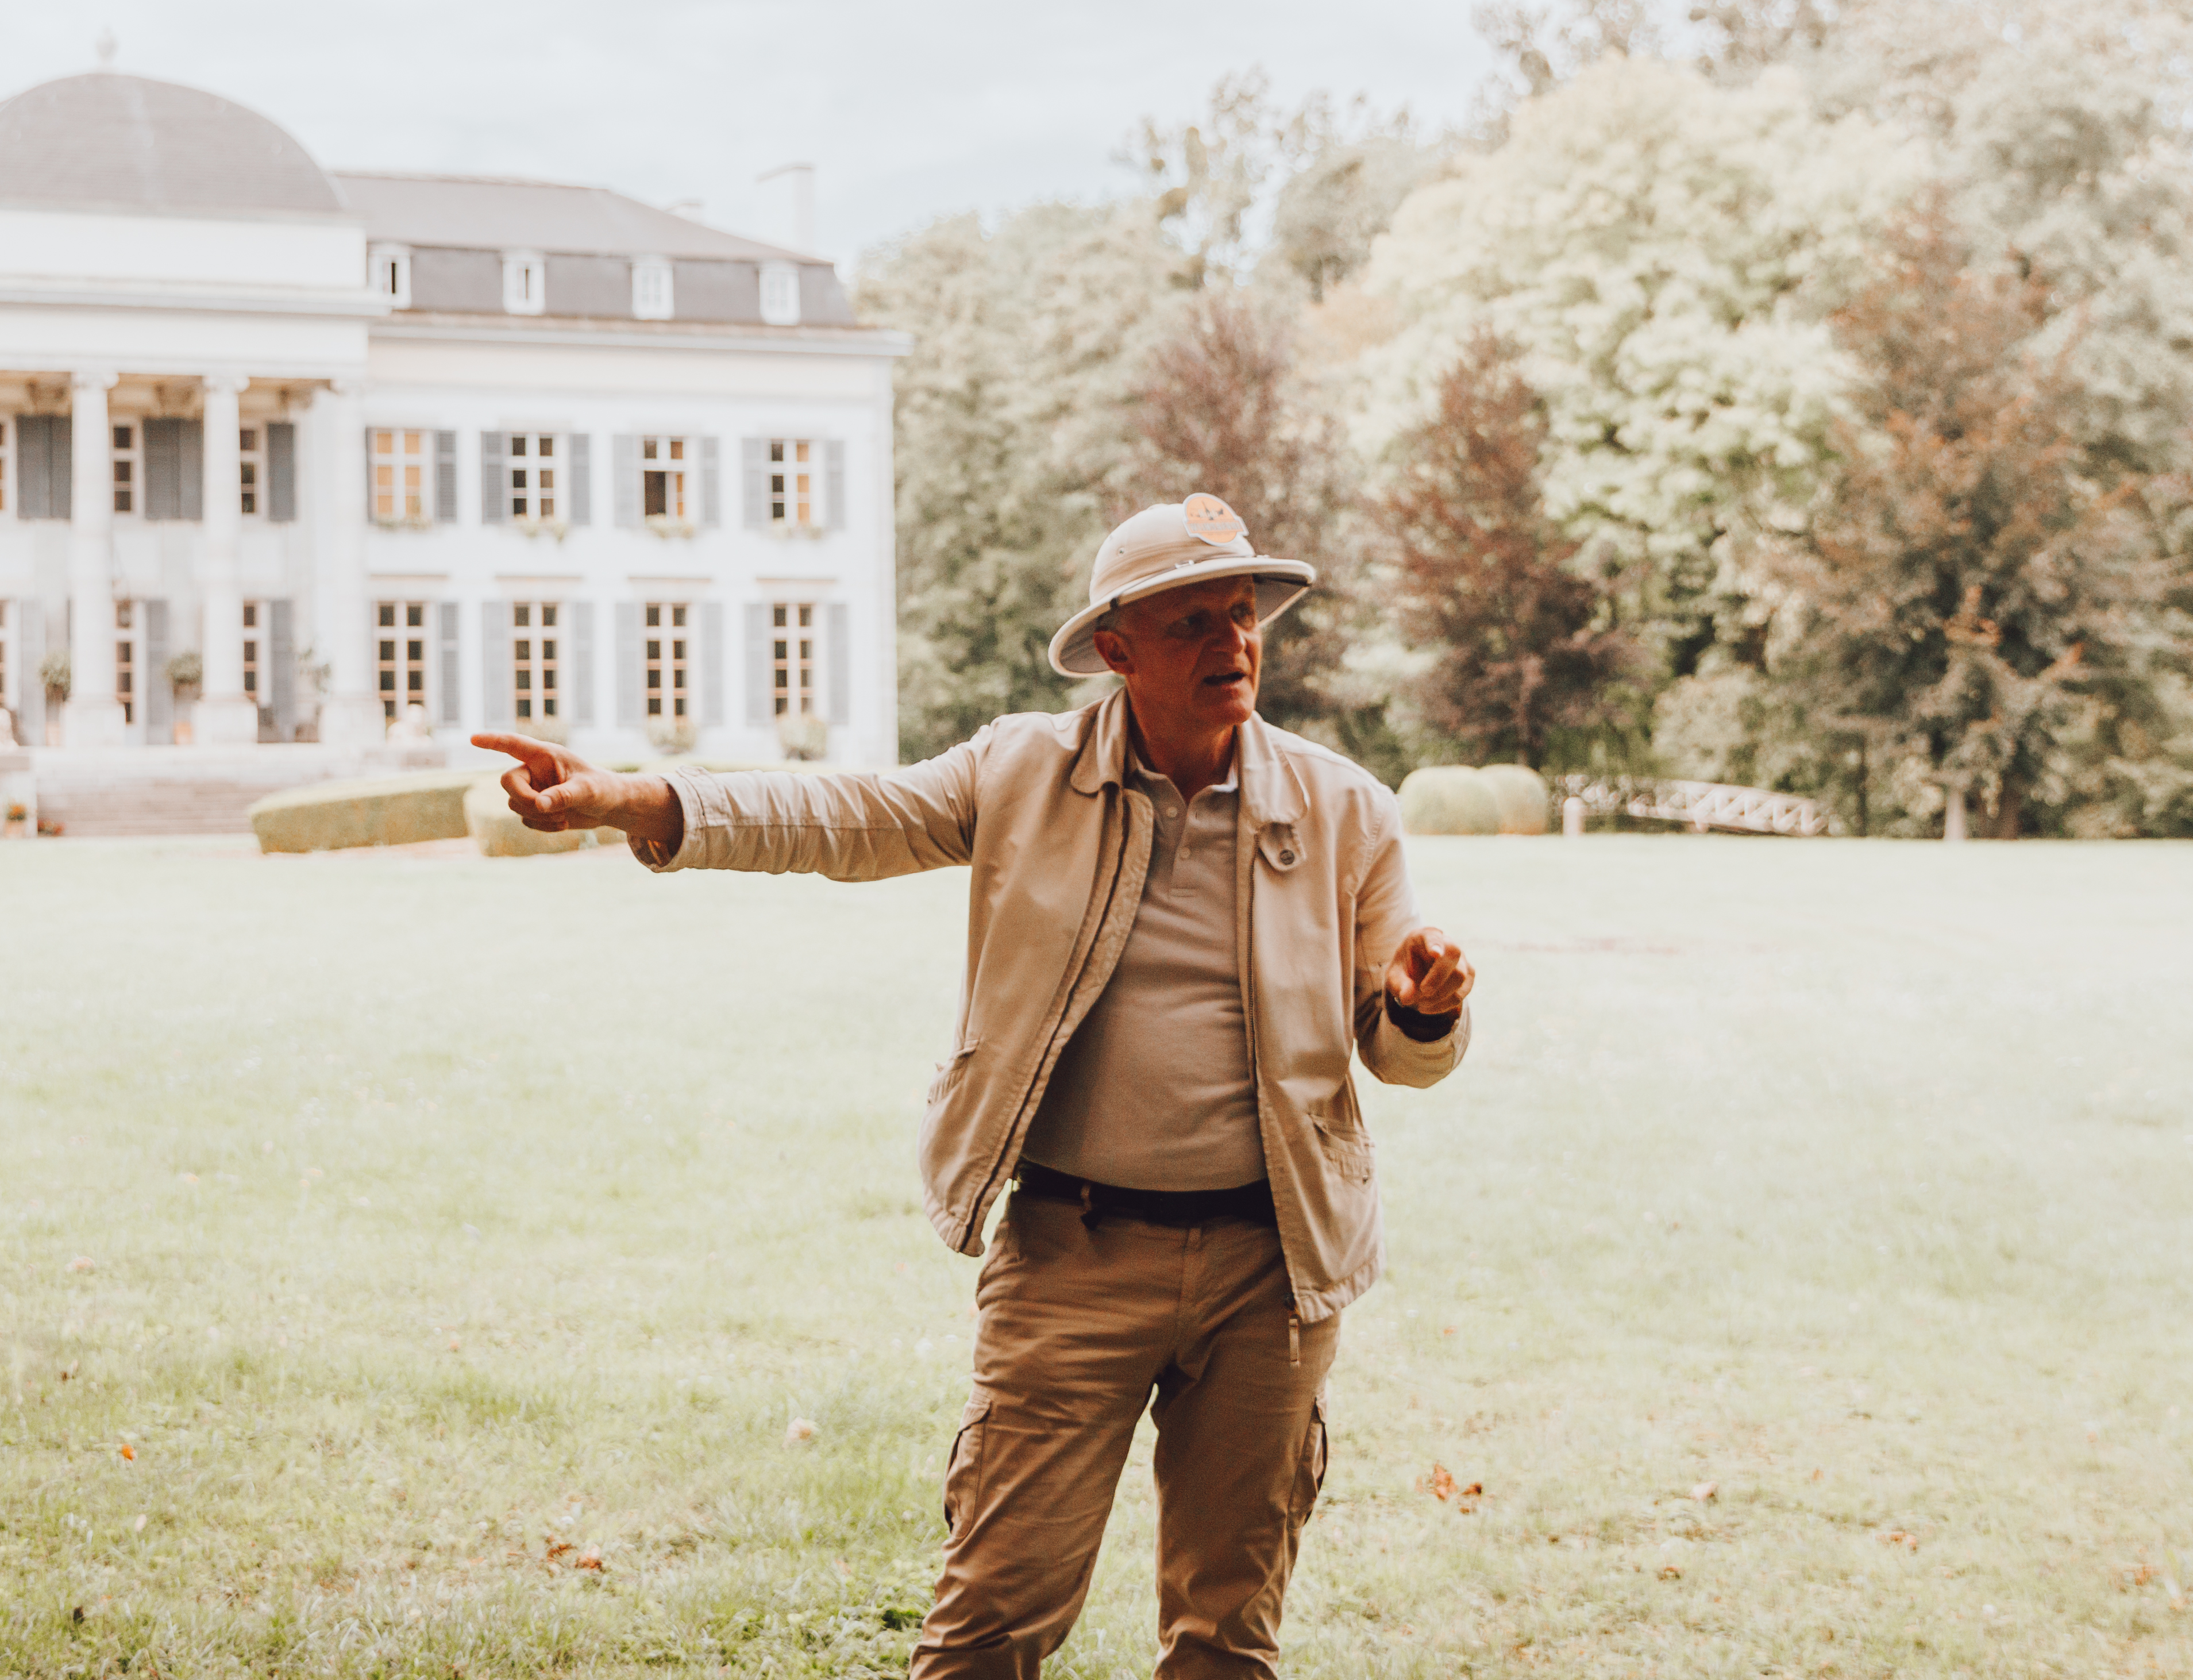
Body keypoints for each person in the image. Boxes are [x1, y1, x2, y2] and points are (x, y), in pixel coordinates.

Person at [476, 494, 1475, 1679]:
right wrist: (638, 799)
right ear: (1117, 649)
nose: (1234, 642)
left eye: (1245, 614)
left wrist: (1427, 1009)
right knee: (989, 1628)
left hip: (1274, 1270)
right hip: (1074, 1258)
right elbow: (846, 814)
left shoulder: (1344, 808)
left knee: (1230, 1640)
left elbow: (1401, 1047)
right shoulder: (1024, 770)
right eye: (1195, 620)